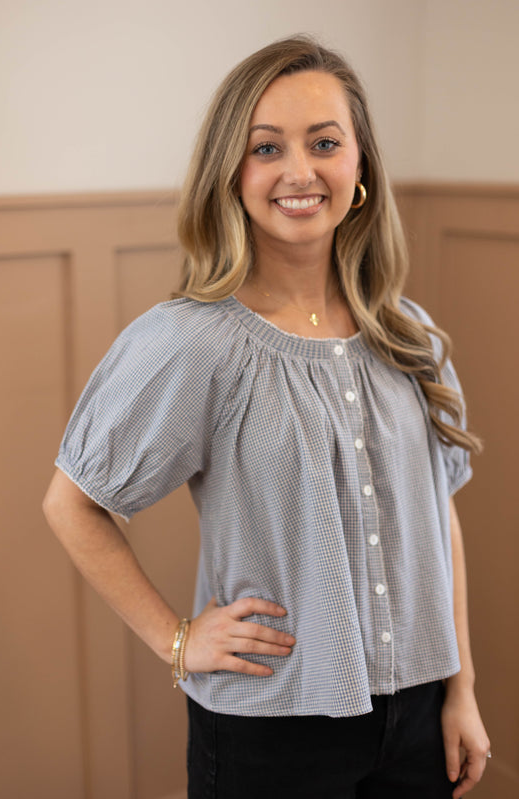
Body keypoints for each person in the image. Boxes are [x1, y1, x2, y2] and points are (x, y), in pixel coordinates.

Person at [43, 35, 491, 798]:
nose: (298, 170)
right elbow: (71, 502)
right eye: (265, 147)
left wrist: (461, 689)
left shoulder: (406, 333)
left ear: (359, 170)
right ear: (232, 173)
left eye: (324, 142)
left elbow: (436, 518)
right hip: (270, 733)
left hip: (418, 715)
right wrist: (176, 639)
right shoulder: (191, 341)